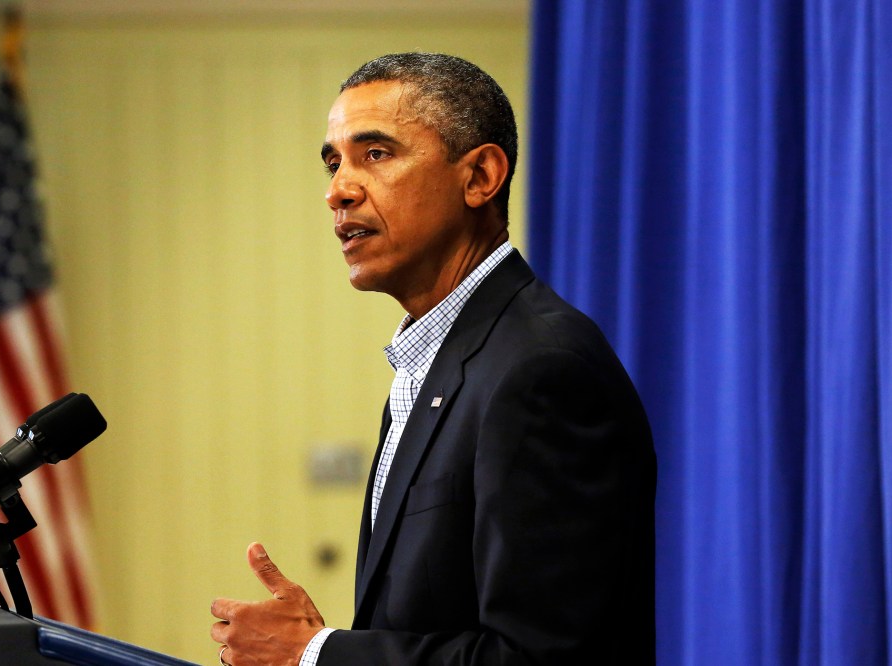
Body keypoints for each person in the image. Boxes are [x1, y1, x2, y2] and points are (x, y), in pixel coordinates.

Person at [211, 52, 656, 666]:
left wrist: (316, 654)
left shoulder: (540, 370)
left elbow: (539, 658)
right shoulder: (443, 361)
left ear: (479, 177)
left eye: (376, 154)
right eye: (333, 161)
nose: (338, 189)